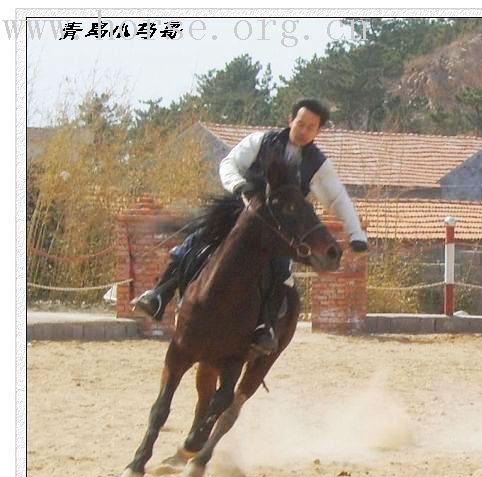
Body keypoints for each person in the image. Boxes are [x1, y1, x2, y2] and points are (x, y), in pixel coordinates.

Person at [132, 98, 368, 355]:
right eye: (301, 123)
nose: (304, 130)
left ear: (318, 131)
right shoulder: (260, 141)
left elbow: (338, 198)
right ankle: (159, 295)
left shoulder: (319, 164)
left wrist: (356, 233)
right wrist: (238, 185)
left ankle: (265, 328)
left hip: (279, 230)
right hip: (241, 214)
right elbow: (229, 164)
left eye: (311, 127)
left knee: (282, 274)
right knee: (196, 242)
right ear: (290, 120)